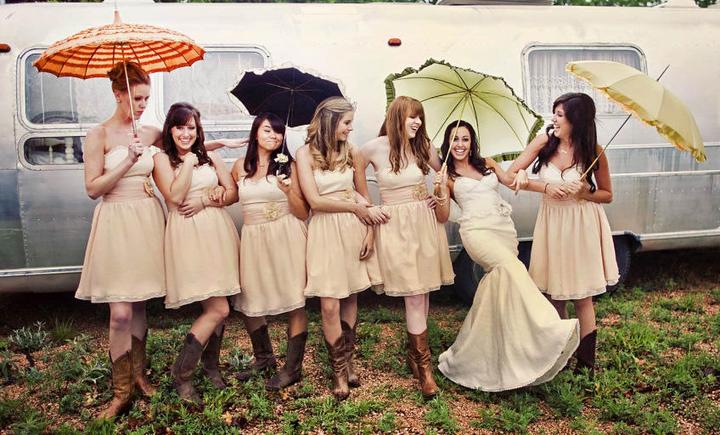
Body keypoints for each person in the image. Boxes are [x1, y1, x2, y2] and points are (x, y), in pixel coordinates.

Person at [434, 121, 580, 391]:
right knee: (513, 269)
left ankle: (485, 354)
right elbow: (442, 217)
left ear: (472, 142)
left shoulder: (487, 164)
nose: (460, 145)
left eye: (465, 139)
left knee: (500, 286)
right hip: (476, 231)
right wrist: (441, 190)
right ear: (448, 143)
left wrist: (542, 185)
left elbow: (511, 181)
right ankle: (549, 327)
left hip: (502, 228)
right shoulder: (447, 174)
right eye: (455, 139)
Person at [75, 61, 165, 419]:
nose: (142, 105)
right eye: (137, 98)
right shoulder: (99, 135)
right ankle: (120, 392)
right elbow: (92, 188)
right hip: (115, 221)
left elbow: (187, 143)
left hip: (145, 219)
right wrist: (128, 160)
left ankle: (140, 376)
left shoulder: (150, 131)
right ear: (118, 94)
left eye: (147, 98)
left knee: (139, 305)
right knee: (121, 313)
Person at [508, 93, 619, 376]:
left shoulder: (594, 152)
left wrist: (586, 192)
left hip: (581, 225)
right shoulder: (543, 143)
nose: (554, 119)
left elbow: (607, 195)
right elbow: (511, 175)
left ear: (575, 120)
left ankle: (586, 364)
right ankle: (561, 354)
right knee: (554, 294)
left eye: (559, 114)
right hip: (552, 223)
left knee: (582, 297)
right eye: (554, 113)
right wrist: (543, 187)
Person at [360, 96, 454, 399]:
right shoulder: (372, 148)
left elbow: (446, 176)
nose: (417, 122)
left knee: (422, 292)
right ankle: (425, 370)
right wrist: (368, 207)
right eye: (412, 117)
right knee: (413, 295)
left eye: (420, 117)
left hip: (424, 221)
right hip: (394, 226)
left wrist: (440, 190)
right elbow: (355, 180)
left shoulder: (423, 146)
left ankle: (415, 356)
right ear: (397, 116)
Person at [295, 96, 388, 400]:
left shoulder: (352, 151)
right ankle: (337, 370)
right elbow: (314, 201)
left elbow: (364, 196)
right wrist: (353, 207)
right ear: (330, 121)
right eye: (346, 122)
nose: (350, 128)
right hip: (324, 230)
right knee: (329, 303)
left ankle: (348, 363)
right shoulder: (304, 154)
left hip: (353, 228)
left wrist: (370, 231)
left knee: (350, 296)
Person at [153, 102, 241, 403]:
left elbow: (232, 193)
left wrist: (209, 199)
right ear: (170, 130)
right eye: (180, 127)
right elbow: (176, 197)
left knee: (219, 299)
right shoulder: (162, 159)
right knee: (219, 309)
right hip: (188, 234)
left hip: (217, 230)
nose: (186, 133)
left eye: (191, 127)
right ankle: (182, 375)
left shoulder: (210, 156)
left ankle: (211, 367)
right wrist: (189, 162)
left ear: (197, 129)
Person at [231, 113, 310, 390]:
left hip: (286, 234)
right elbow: (229, 195)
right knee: (250, 298)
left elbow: (303, 212)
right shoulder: (240, 166)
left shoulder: (289, 166)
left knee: (294, 299)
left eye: (278, 132)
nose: (273, 136)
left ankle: (292, 369)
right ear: (255, 132)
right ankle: (264, 358)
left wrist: (288, 192)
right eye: (267, 130)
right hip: (254, 238)